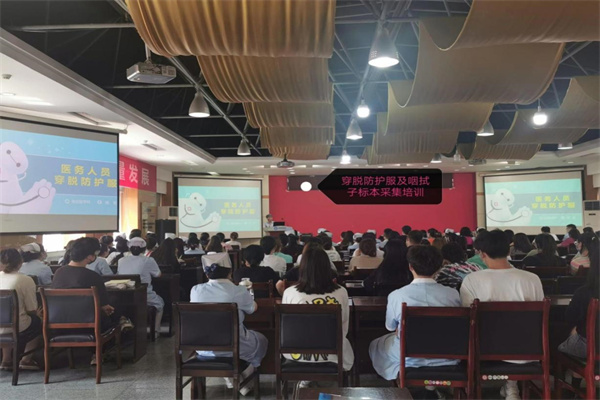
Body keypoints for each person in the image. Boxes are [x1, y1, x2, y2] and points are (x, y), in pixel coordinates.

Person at [460, 230, 543, 400]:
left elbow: (468, 318)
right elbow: (538, 318)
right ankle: (511, 385)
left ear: (482, 254)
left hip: (485, 349)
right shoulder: (532, 279)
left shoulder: (472, 280)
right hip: (527, 349)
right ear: (508, 250)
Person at [369, 245, 461, 381]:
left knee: (376, 345)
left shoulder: (398, 295)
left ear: (410, 266)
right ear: (439, 267)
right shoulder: (453, 294)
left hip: (409, 356)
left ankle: (400, 380)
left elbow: (390, 327)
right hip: (447, 355)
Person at [190, 259, 267, 396]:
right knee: (262, 340)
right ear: (230, 273)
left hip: (203, 348)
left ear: (207, 274)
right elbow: (252, 309)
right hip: (235, 347)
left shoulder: (195, 290)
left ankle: (233, 378)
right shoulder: (238, 290)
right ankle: (243, 379)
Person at [282, 246, 354, 374]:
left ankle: (306, 379)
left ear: (302, 268)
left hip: (296, 352)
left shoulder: (289, 292)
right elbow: (344, 324)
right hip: (333, 354)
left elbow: (286, 326)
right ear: (328, 267)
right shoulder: (341, 292)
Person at [51, 238, 133, 348]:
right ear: (90, 256)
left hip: (61, 324)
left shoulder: (58, 273)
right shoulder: (93, 276)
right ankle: (105, 349)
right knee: (118, 310)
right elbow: (105, 305)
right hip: (90, 325)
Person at [0, 249, 42, 370]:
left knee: (7, 320)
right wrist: (38, 315)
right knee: (38, 321)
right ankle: (26, 360)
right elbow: (32, 309)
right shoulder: (25, 280)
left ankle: (6, 360)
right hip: (16, 326)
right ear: (20, 262)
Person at [558, 238, 599, 362]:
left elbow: (570, 318)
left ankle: (575, 373)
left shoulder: (584, 292)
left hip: (591, 346)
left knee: (561, 343)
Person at [118, 237, 163, 338]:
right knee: (160, 303)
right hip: (143, 294)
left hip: (124, 295)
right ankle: (156, 331)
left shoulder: (121, 260)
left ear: (129, 248)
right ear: (144, 249)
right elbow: (158, 274)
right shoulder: (148, 260)